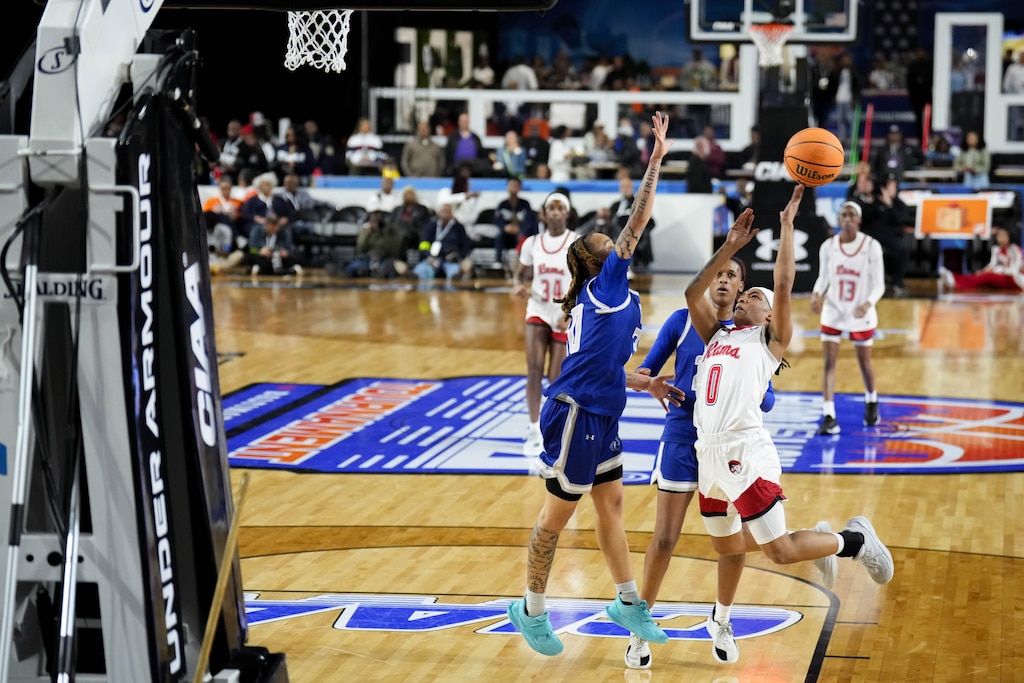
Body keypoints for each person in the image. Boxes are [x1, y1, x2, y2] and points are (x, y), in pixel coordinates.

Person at [682, 185, 894, 665]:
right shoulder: (717, 334)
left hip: (744, 451)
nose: (745, 299)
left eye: (753, 296)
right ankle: (726, 611)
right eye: (743, 296)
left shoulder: (769, 340)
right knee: (730, 547)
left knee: (776, 551)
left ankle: (853, 541)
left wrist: (785, 225)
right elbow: (693, 292)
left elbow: (782, 281)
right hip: (708, 454)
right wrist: (730, 246)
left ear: (770, 313)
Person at [506, 112, 684, 657]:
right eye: (600, 240)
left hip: (601, 408)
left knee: (611, 508)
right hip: (576, 412)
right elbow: (636, 223)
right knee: (556, 516)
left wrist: (644, 383)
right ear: (590, 261)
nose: (610, 237)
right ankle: (531, 608)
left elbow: (604, 367)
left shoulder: (616, 301)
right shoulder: (606, 285)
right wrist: (654, 161)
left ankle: (628, 600)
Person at [622, 256, 786, 670]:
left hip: (729, 449)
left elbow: (766, 399)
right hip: (682, 437)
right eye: (718, 273)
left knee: (731, 544)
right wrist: (650, 384)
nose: (724, 280)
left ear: (744, 291)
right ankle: (639, 628)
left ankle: (723, 619)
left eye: (733, 276)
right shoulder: (684, 320)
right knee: (664, 538)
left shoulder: (750, 336)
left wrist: (757, 384)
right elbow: (643, 370)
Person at [810, 201, 886, 436]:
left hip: (860, 312)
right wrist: (816, 293)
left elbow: (880, 284)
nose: (847, 218)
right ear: (838, 218)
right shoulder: (828, 246)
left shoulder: (871, 246)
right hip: (834, 310)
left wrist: (868, 303)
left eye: (852, 214)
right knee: (829, 363)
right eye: (843, 214)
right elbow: (823, 278)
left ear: (859, 220)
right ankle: (829, 414)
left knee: (864, 363)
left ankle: (871, 398)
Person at [513, 192, 580, 457]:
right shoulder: (533, 243)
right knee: (533, 369)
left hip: (563, 312)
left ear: (566, 213)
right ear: (543, 213)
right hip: (538, 308)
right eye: (550, 208)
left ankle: (550, 427)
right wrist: (519, 285)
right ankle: (532, 428)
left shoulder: (575, 243)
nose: (554, 212)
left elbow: (584, 280)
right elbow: (519, 274)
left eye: (559, 208)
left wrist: (571, 311)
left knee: (556, 378)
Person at [939, 226, 1023, 293]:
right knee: (981, 275)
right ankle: (954, 278)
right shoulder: (996, 249)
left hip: (1015, 279)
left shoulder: (1015, 250)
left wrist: (997, 271)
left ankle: (958, 283)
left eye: (1004, 235)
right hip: (1001, 275)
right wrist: (983, 271)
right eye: (999, 236)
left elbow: (1014, 270)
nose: (1002, 238)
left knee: (987, 276)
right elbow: (992, 265)